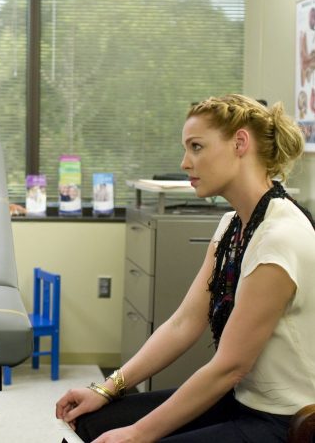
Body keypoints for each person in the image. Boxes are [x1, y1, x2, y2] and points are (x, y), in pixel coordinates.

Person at [55, 94, 315, 442]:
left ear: (240, 143)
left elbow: (229, 367)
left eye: (196, 147)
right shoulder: (231, 225)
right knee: (95, 421)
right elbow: (183, 323)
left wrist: (138, 434)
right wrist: (107, 389)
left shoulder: (280, 237)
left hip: (282, 421)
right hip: (241, 401)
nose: (185, 162)